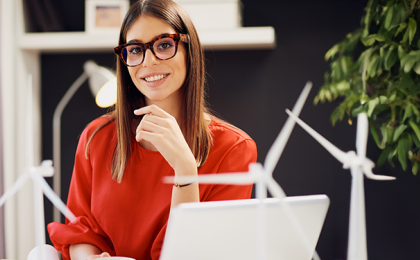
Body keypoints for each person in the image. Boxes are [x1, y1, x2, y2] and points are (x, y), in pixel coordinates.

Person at [47, 0, 257, 259]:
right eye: (135, 50)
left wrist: (185, 168)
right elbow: (81, 229)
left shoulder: (234, 149)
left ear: (189, 51)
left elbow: (196, 252)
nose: (148, 61)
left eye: (164, 45)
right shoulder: (96, 138)